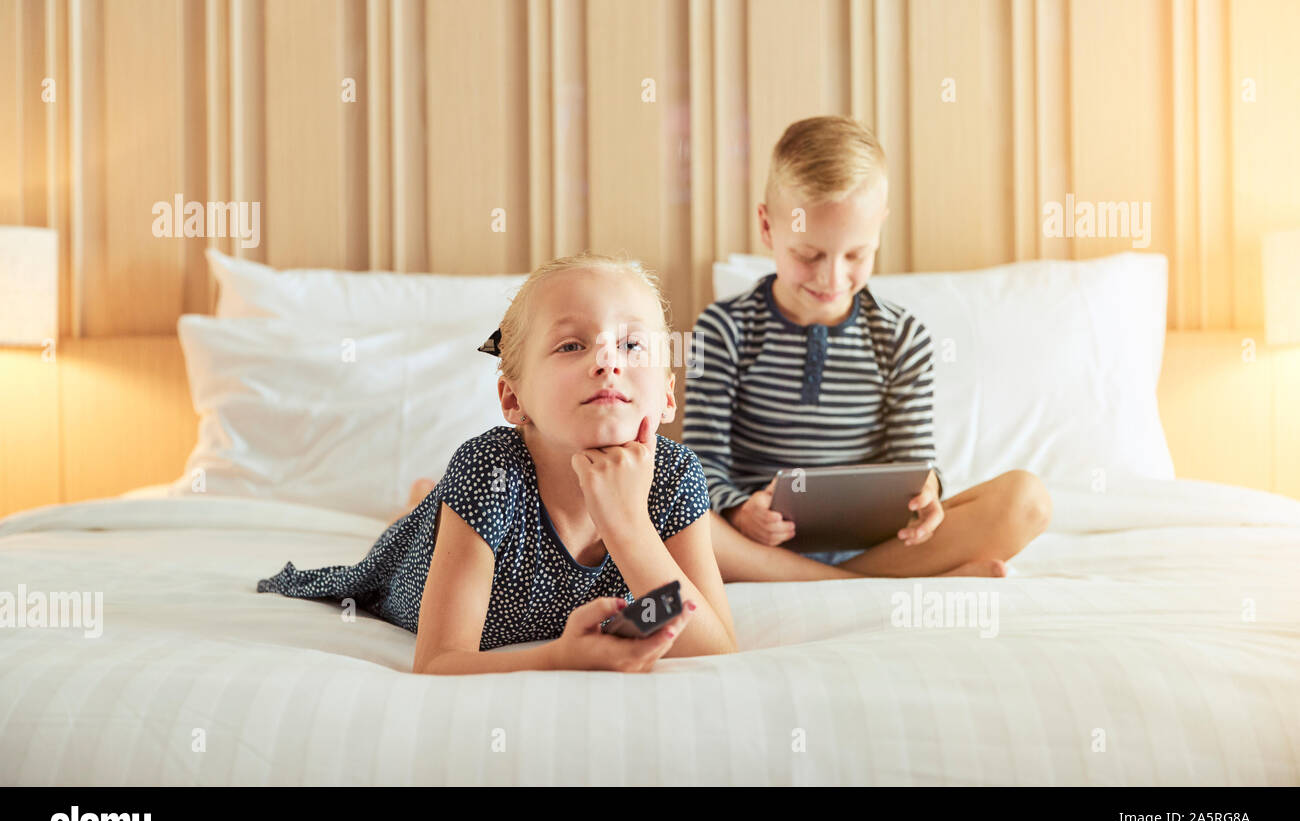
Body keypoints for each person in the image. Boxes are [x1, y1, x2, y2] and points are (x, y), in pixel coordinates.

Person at [258, 252, 738, 672]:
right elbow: (438, 661)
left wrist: (629, 525)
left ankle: (424, 496)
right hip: (413, 563)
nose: (608, 361)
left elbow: (714, 647)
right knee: (406, 528)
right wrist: (560, 657)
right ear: (513, 399)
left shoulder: (675, 476)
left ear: (668, 396)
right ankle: (418, 506)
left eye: (632, 345)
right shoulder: (489, 471)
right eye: (572, 345)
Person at [683, 115, 1052, 583]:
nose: (832, 279)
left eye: (856, 255)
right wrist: (738, 512)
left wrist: (928, 494)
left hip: (873, 544)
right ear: (767, 227)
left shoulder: (901, 337)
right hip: (754, 547)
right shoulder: (724, 329)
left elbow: (913, 462)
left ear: (879, 229)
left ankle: (834, 580)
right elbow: (700, 467)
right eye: (808, 254)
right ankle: (865, 586)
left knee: (1027, 500)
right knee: (671, 508)